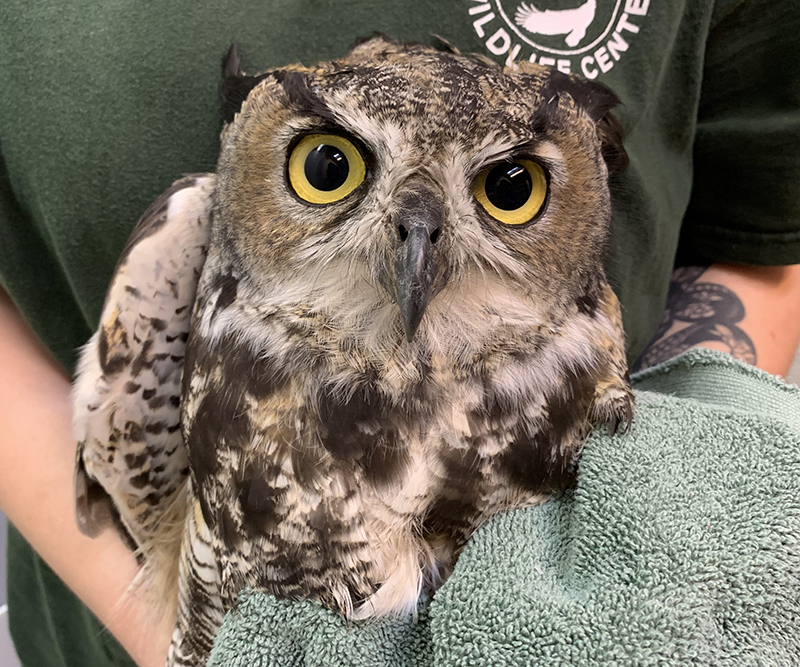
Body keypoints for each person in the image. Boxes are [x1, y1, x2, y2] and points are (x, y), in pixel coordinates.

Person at [1, 0, 799, 665]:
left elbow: (760, 227)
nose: (417, 251)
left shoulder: (577, 348)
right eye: (329, 170)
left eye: (509, 190)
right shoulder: (187, 273)